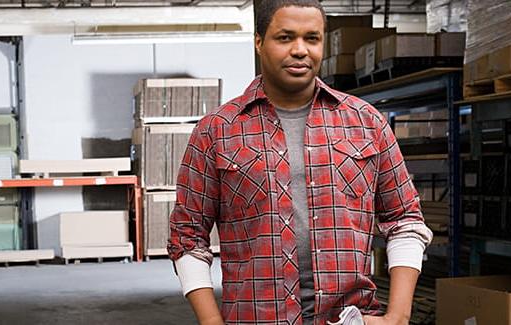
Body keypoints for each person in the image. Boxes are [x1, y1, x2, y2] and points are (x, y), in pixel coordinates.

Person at [167, 1, 433, 324]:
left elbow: (404, 218)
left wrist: (398, 316)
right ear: (259, 41)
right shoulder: (216, 132)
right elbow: (187, 236)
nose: (300, 50)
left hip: (350, 318)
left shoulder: (367, 124)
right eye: (285, 38)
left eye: (312, 38)